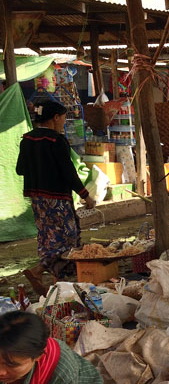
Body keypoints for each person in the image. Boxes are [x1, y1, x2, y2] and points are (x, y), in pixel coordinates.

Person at [16, 101, 96, 295]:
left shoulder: (27, 140)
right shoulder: (56, 140)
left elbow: (20, 169)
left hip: (37, 199)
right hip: (57, 199)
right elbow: (68, 173)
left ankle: (57, 284)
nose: (63, 123)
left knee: (47, 237)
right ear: (55, 118)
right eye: (63, 119)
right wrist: (85, 195)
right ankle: (39, 269)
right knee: (68, 238)